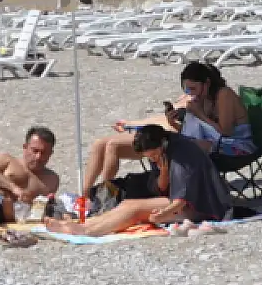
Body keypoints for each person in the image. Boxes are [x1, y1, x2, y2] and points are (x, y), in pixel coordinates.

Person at [81, 62, 252, 191]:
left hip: (235, 146)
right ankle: (88, 195)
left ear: (206, 83)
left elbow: (225, 132)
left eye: (193, 88)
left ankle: (109, 194)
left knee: (169, 145)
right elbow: (199, 132)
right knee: (106, 144)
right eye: (187, 90)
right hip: (211, 143)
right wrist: (173, 123)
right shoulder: (202, 98)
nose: (190, 93)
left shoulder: (224, 94)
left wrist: (199, 114)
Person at [57, 124, 233, 237]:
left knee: (134, 208)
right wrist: (163, 172)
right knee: (127, 204)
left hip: (203, 206)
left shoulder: (181, 154)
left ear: (162, 144)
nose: (153, 159)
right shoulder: (163, 151)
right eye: (150, 157)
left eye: (154, 155)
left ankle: (87, 231)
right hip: (180, 201)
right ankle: (85, 224)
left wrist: (162, 215)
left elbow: (182, 198)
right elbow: (161, 187)